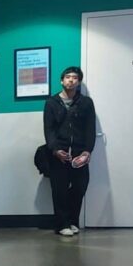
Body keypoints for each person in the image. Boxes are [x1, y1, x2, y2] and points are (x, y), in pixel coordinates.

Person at [43, 65, 96, 236]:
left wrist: (88, 151)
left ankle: (73, 221)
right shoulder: (51, 102)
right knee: (59, 190)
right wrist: (55, 149)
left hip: (80, 153)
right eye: (67, 77)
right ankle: (62, 224)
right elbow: (48, 129)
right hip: (59, 153)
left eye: (74, 77)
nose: (71, 80)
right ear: (61, 80)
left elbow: (90, 129)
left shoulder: (86, 102)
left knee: (80, 187)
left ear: (79, 81)